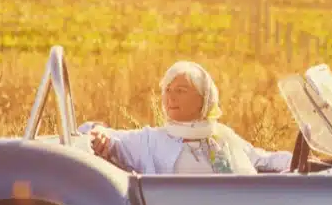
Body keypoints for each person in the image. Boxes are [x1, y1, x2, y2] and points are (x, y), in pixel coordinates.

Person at [81, 61, 293, 174]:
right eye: (167, 90)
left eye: (181, 90)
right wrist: (98, 132)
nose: (170, 97)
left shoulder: (223, 137)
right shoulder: (151, 140)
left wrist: (312, 163)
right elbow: (92, 133)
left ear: (204, 99)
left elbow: (264, 160)